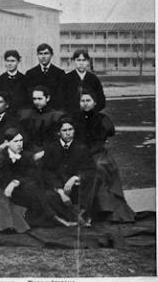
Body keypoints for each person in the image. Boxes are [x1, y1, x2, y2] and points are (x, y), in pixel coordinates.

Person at [0, 128, 77, 227]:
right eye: (16, 141)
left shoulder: (26, 157)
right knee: (33, 189)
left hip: (23, 190)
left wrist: (14, 183)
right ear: (7, 143)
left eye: (21, 141)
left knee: (33, 188)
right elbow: (0, 175)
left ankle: (55, 218)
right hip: (5, 190)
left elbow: (30, 176)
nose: (19, 144)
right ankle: (57, 219)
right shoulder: (1, 156)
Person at [72, 90, 135, 222]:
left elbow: (99, 143)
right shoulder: (74, 118)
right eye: (82, 101)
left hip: (97, 154)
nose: (85, 104)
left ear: (94, 103)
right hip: (78, 153)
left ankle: (97, 210)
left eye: (88, 101)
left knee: (98, 168)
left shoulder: (102, 119)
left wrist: (85, 155)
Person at [42, 118, 97, 226]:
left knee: (93, 186)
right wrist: (60, 190)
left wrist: (76, 178)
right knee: (48, 196)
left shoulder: (82, 147)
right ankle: (73, 217)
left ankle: (79, 215)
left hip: (76, 186)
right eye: (64, 130)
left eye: (70, 129)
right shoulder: (51, 148)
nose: (68, 133)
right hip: (58, 187)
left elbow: (90, 169)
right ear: (59, 132)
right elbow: (47, 172)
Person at [18, 86, 64, 152]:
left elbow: (56, 140)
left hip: (49, 152)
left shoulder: (56, 116)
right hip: (28, 152)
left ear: (47, 98)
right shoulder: (25, 115)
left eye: (40, 99)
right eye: (34, 99)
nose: (36, 102)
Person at [25, 44, 66, 111]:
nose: (43, 56)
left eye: (46, 53)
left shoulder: (60, 73)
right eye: (40, 54)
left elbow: (61, 95)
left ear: (51, 55)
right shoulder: (30, 73)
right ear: (37, 55)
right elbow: (29, 94)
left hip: (53, 110)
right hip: (36, 110)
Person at [64, 49, 106, 113]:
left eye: (84, 60)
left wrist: (92, 111)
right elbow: (62, 100)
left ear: (88, 62)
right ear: (73, 61)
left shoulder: (94, 79)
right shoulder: (66, 78)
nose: (81, 63)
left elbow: (101, 100)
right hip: (72, 116)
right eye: (78, 60)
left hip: (91, 116)